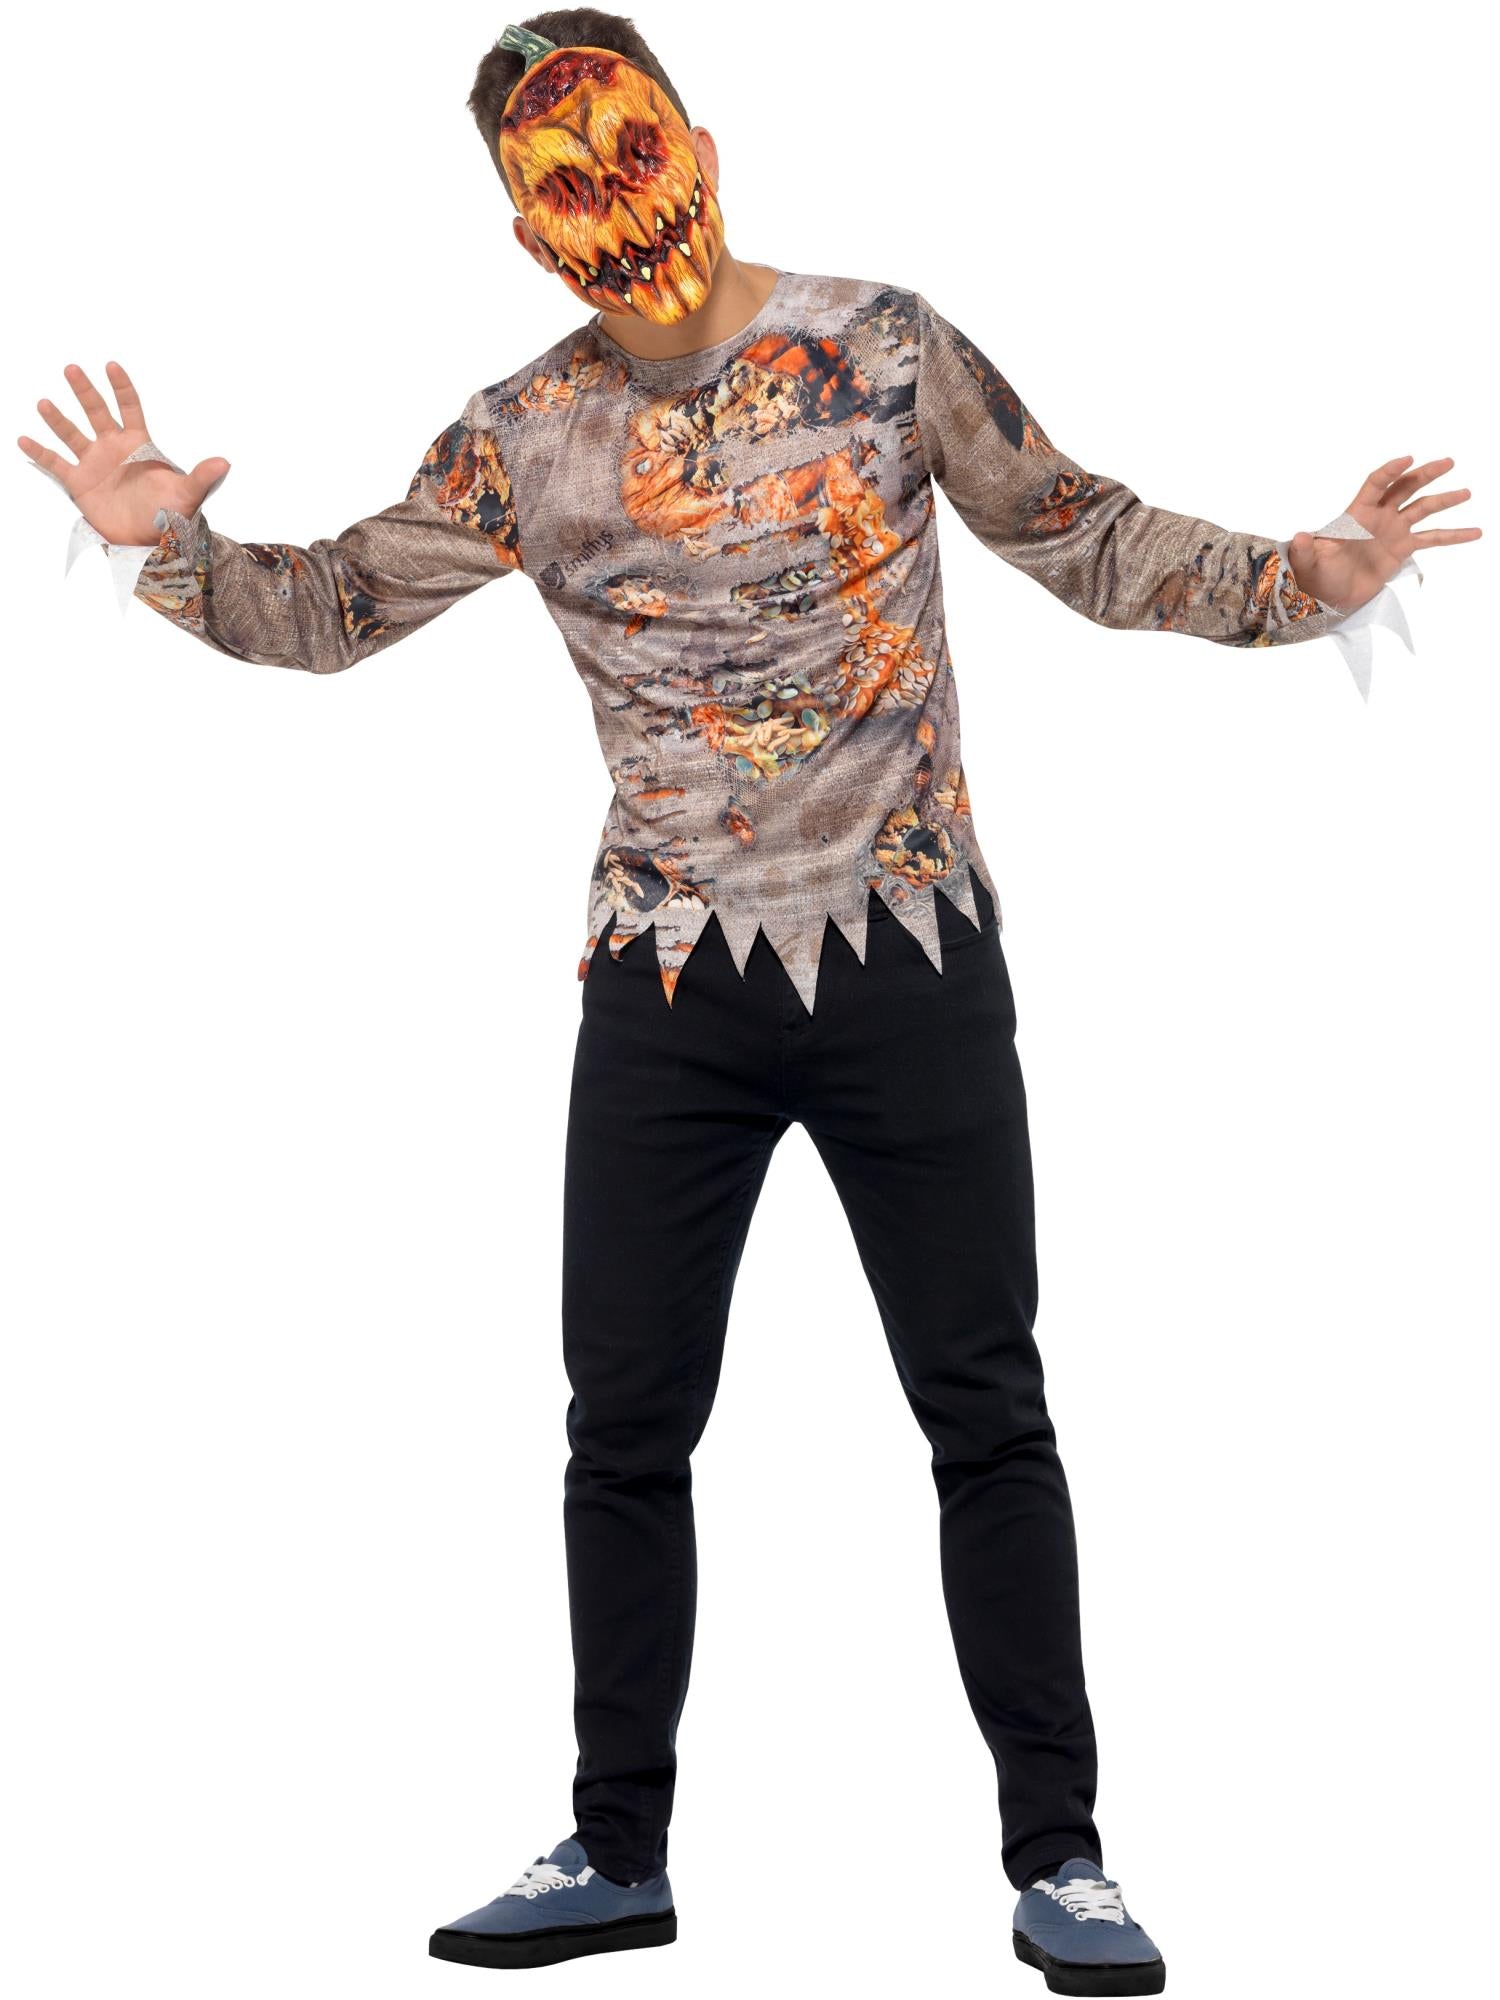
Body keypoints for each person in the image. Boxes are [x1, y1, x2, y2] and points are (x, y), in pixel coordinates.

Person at [18, 11, 1479, 1993]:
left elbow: (1084, 531)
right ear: (522, 232)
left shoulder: (884, 346)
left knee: (987, 1408)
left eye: (631, 148)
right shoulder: (522, 433)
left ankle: (1062, 1857)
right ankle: (615, 1848)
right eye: (562, 185)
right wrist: (173, 551)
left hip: (910, 955)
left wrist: (1308, 572)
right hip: (667, 983)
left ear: (700, 142)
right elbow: (336, 605)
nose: (613, 202)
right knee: (621, 1426)